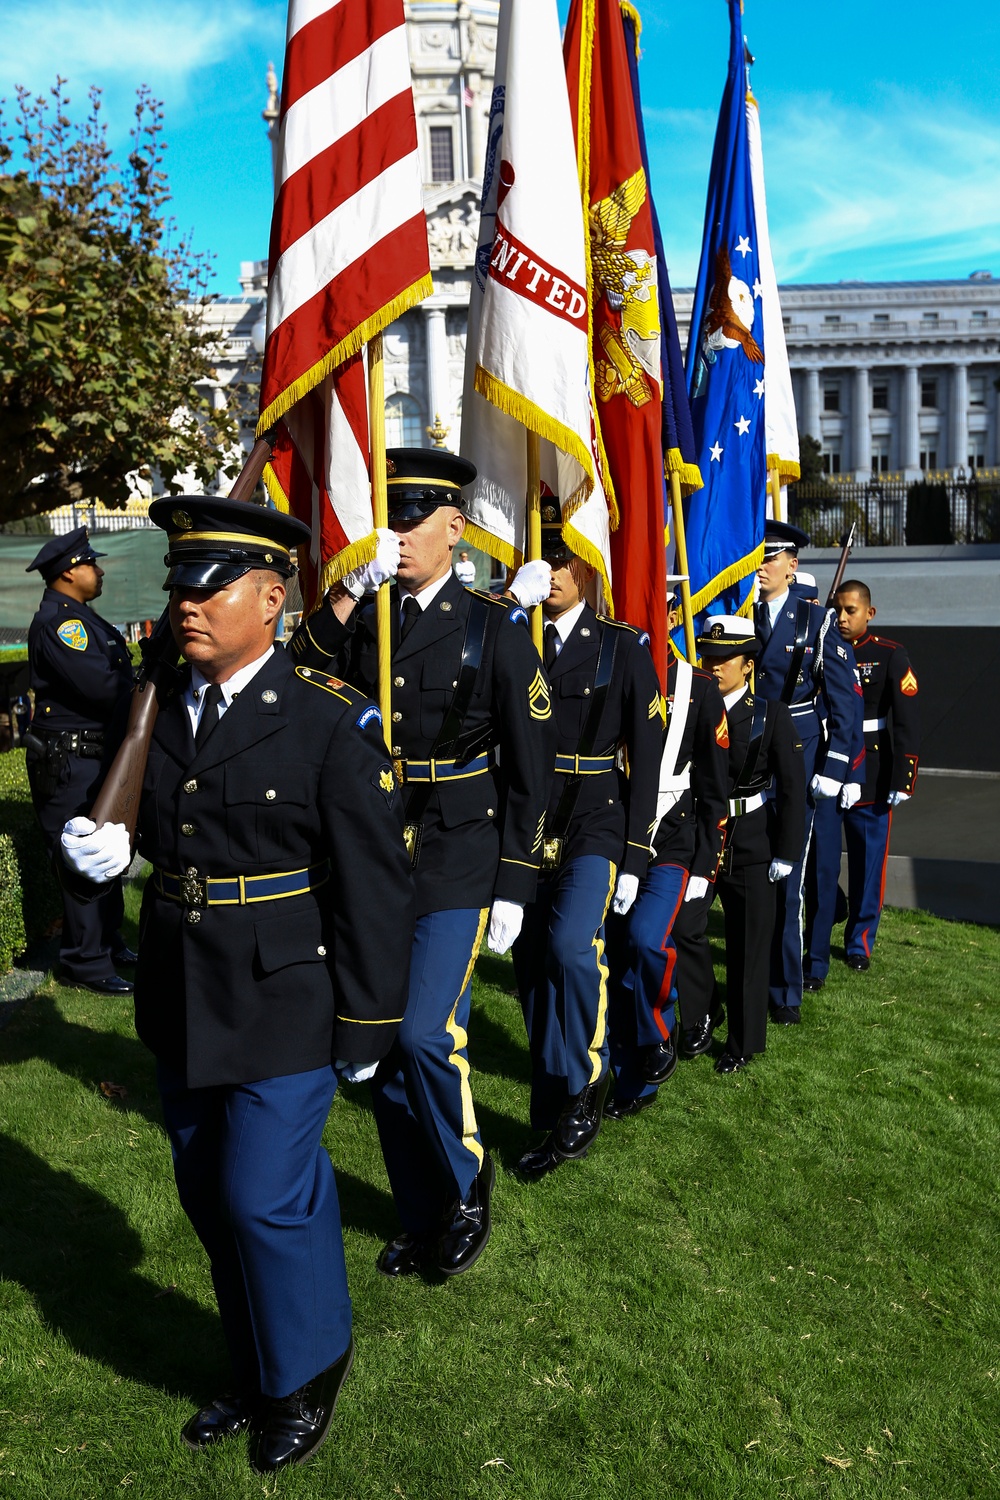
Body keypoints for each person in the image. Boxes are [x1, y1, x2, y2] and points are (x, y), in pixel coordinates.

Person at [60, 496, 415, 1474]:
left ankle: (305, 1370)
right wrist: (106, 847)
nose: (188, 604)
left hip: (283, 991)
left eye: (211, 587)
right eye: (180, 585)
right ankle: (254, 1363)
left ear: (271, 598)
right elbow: (146, 817)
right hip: (182, 984)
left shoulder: (327, 721)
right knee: (208, 1193)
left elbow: (375, 887)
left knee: (264, 1197)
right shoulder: (160, 702)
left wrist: (372, 1019)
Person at [291, 448, 554, 1277]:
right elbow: (299, 673)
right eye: (389, 520)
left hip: (459, 849)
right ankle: (421, 1209)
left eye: (412, 522)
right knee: (381, 1033)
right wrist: (342, 591)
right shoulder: (368, 614)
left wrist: (516, 879)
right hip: (374, 851)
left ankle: (468, 1185)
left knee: (423, 1031)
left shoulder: (493, 625)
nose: (396, 537)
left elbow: (532, 762)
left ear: (455, 527)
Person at [502, 503, 662, 1176]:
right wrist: (508, 614)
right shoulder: (510, 635)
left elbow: (647, 755)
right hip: (524, 817)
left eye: (564, 556)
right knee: (533, 967)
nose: (552, 569)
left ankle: (582, 1083)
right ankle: (551, 1091)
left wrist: (637, 851)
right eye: (540, 555)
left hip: (595, 815)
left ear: (588, 564)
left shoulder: (622, 646)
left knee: (571, 949)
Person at [604, 577, 730, 1118]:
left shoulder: (699, 688)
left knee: (648, 939)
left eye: (663, 613)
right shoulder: (606, 669)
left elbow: (713, 787)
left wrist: (706, 864)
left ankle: (660, 1033)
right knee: (617, 958)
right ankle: (626, 1079)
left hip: (672, 839)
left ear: (674, 618)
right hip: (612, 834)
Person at [672, 617, 805, 1072]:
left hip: (752, 841)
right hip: (701, 836)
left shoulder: (772, 715)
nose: (713, 664)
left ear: (748, 665)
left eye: (723, 658)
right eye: (707, 656)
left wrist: (787, 853)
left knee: (748, 949)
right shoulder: (692, 707)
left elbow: (791, 790)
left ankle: (743, 1044)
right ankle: (706, 1009)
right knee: (684, 926)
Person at [753, 520, 862, 1023]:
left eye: (770, 557)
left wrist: (835, 768)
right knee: (752, 879)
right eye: (758, 555)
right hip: (751, 761)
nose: (760, 565)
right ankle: (754, 979)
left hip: (799, 759)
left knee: (789, 878)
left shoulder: (816, 622)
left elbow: (845, 704)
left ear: (792, 565)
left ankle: (785, 991)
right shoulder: (739, 616)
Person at [23, 527, 136, 994]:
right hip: (69, 762)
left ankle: (106, 944)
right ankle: (84, 964)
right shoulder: (60, 623)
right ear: (70, 571)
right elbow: (103, 686)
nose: (100, 569)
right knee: (80, 860)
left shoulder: (81, 617)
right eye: (92, 563)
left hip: (89, 755)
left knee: (104, 851)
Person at [805, 580, 919, 978]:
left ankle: (859, 942)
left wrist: (903, 777)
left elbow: (905, 721)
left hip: (872, 773)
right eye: (837, 609)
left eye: (850, 610)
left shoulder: (889, 655)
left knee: (868, 866)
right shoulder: (818, 647)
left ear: (869, 613)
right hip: (830, 770)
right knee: (817, 860)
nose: (841, 617)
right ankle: (832, 908)